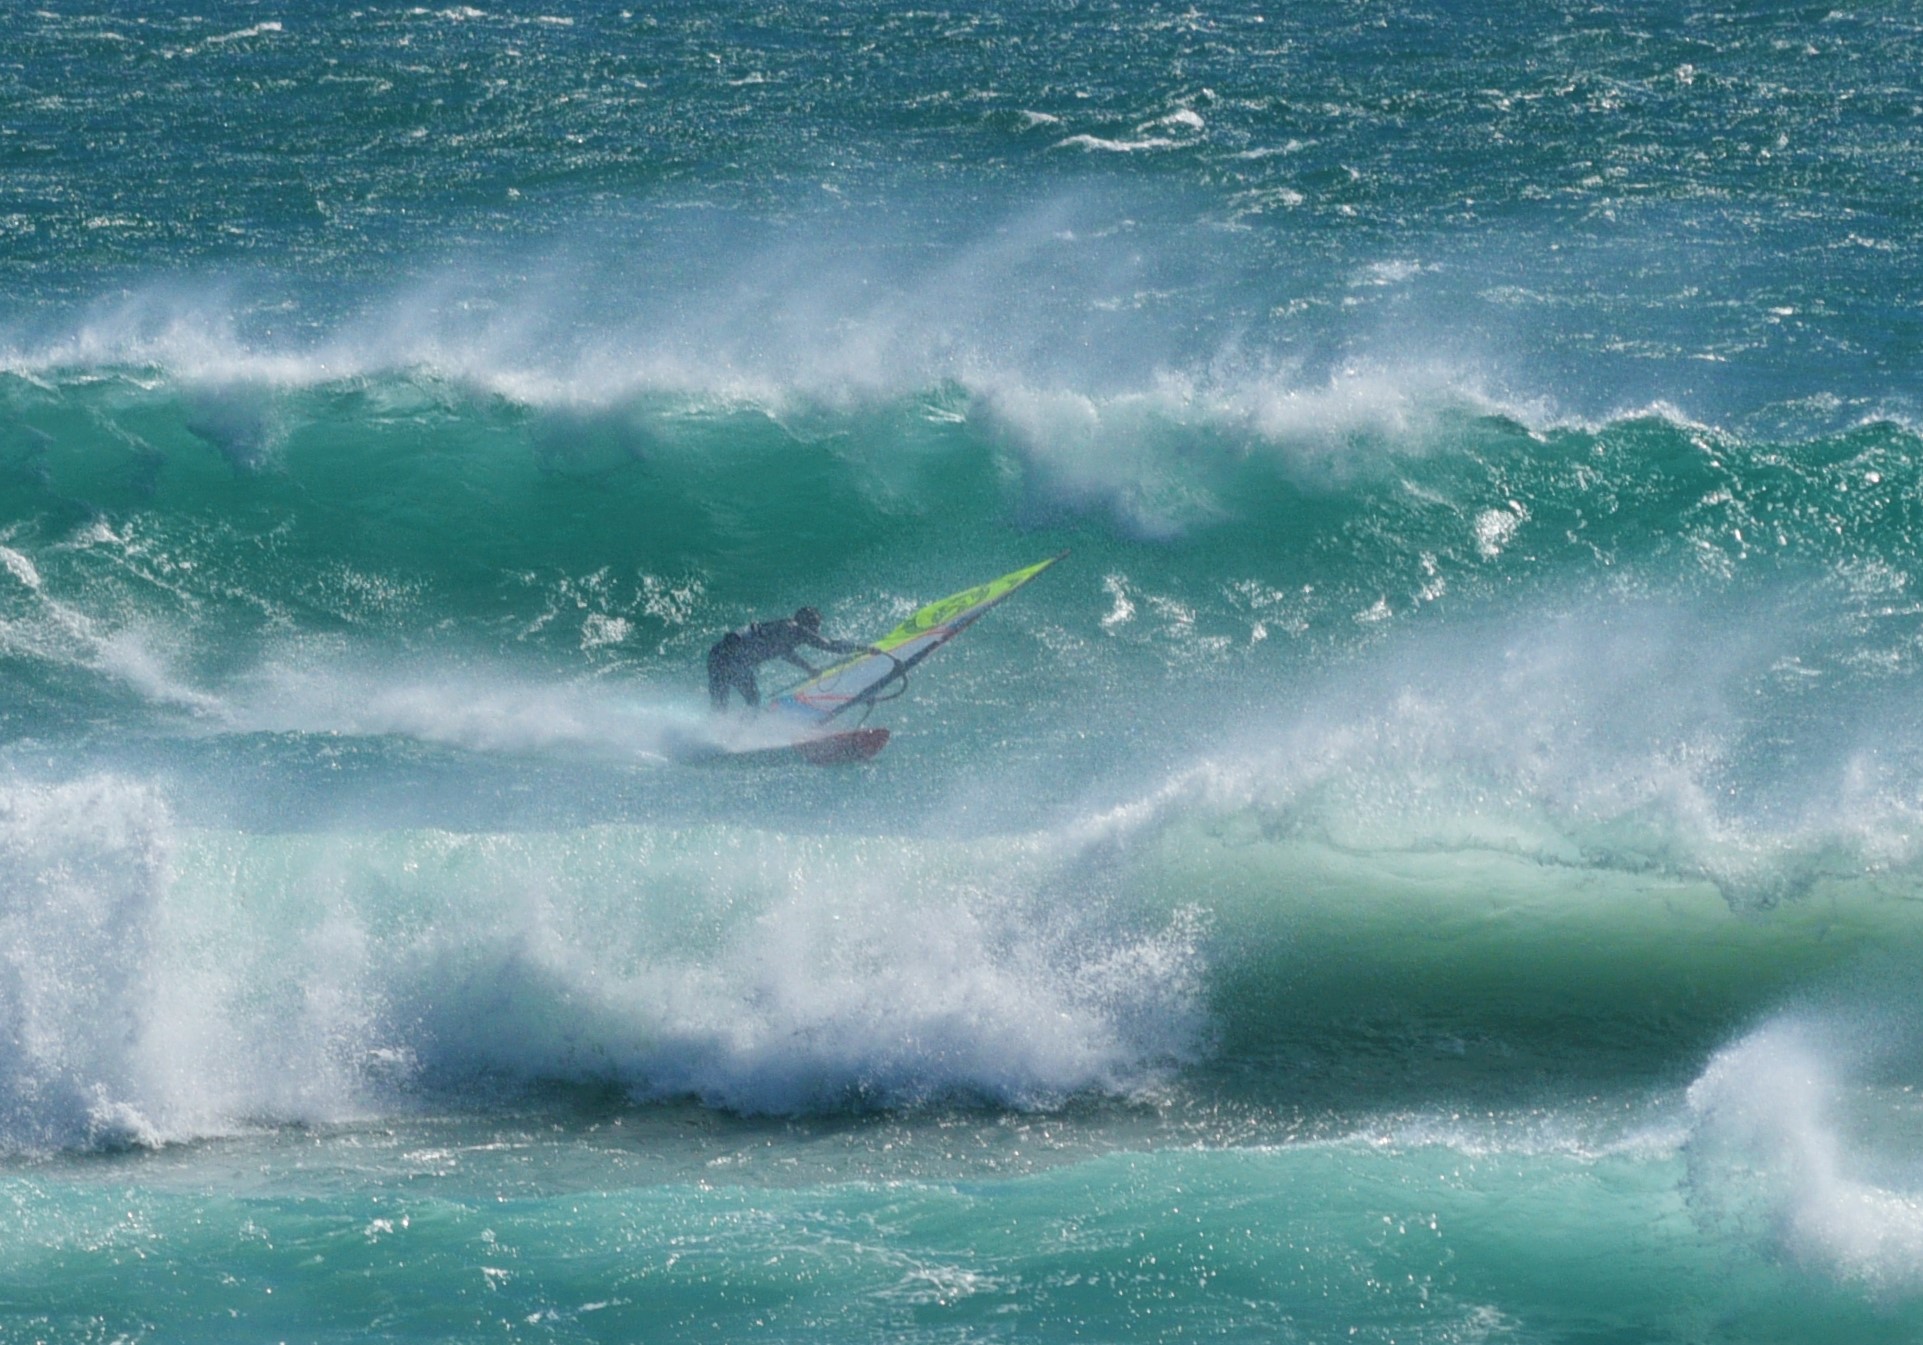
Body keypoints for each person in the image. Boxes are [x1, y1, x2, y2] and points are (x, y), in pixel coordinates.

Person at [707, 606, 877, 711]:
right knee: (754, 701)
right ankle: (736, 739)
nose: (816, 632)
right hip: (729, 659)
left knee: (721, 706)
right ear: (807, 624)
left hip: (716, 656)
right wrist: (864, 648)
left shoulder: (785, 630)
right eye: (816, 626)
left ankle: (717, 738)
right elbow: (830, 644)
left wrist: (808, 668)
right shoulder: (795, 629)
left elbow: (784, 652)